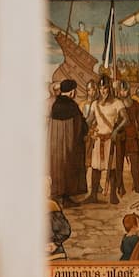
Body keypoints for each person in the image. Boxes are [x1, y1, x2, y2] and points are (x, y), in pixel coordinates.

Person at [48, 78, 87, 206]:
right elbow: (80, 127)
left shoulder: (55, 105)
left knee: (57, 168)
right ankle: (66, 198)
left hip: (55, 147)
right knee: (68, 167)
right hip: (69, 146)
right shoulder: (72, 106)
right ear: (71, 92)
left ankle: (57, 195)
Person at [86, 74, 124, 203]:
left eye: (106, 88)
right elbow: (89, 120)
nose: (103, 91)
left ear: (109, 88)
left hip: (110, 141)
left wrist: (116, 131)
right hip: (98, 140)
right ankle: (93, 196)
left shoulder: (117, 103)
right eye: (101, 88)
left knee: (111, 168)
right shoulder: (95, 104)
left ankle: (113, 195)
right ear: (98, 89)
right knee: (95, 168)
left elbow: (126, 119)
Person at [110, 85, 139, 197]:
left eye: (125, 89)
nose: (123, 92)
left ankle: (137, 185)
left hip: (132, 136)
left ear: (128, 90)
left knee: (135, 163)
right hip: (120, 136)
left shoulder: (135, 104)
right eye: (121, 90)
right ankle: (120, 186)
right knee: (119, 163)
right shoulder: (116, 103)